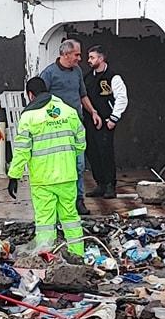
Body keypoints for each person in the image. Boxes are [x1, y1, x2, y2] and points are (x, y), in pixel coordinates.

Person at [8, 75, 86, 257]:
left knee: (45, 220)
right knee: (71, 217)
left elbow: (22, 150)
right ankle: (78, 254)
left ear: (30, 95)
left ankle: (46, 256)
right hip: (67, 176)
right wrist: (66, 158)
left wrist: (14, 175)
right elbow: (81, 142)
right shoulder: (68, 111)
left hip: (43, 179)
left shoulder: (28, 116)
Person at [38, 37, 93, 208]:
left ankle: (79, 200)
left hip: (76, 125)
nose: (79, 58)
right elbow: (40, 98)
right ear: (66, 54)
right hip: (56, 127)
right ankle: (60, 201)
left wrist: (93, 112)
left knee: (79, 164)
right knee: (60, 166)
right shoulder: (49, 74)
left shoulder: (77, 71)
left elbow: (82, 95)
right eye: (76, 54)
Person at [83, 44, 129, 199]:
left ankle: (110, 185)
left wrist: (113, 118)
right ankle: (100, 184)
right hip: (89, 122)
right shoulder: (88, 78)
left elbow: (121, 98)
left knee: (105, 153)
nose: (89, 60)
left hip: (106, 122)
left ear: (101, 58)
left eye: (92, 57)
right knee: (92, 153)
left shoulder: (113, 77)